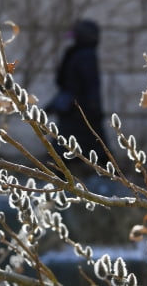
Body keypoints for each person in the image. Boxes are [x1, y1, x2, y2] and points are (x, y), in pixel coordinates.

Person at [45, 19, 108, 177]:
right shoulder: (81, 54)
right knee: (86, 145)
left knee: (77, 146)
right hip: (77, 109)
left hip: (79, 109)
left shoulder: (82, 55)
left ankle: (64, 176)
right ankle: (63, 176)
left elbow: (86, 83)